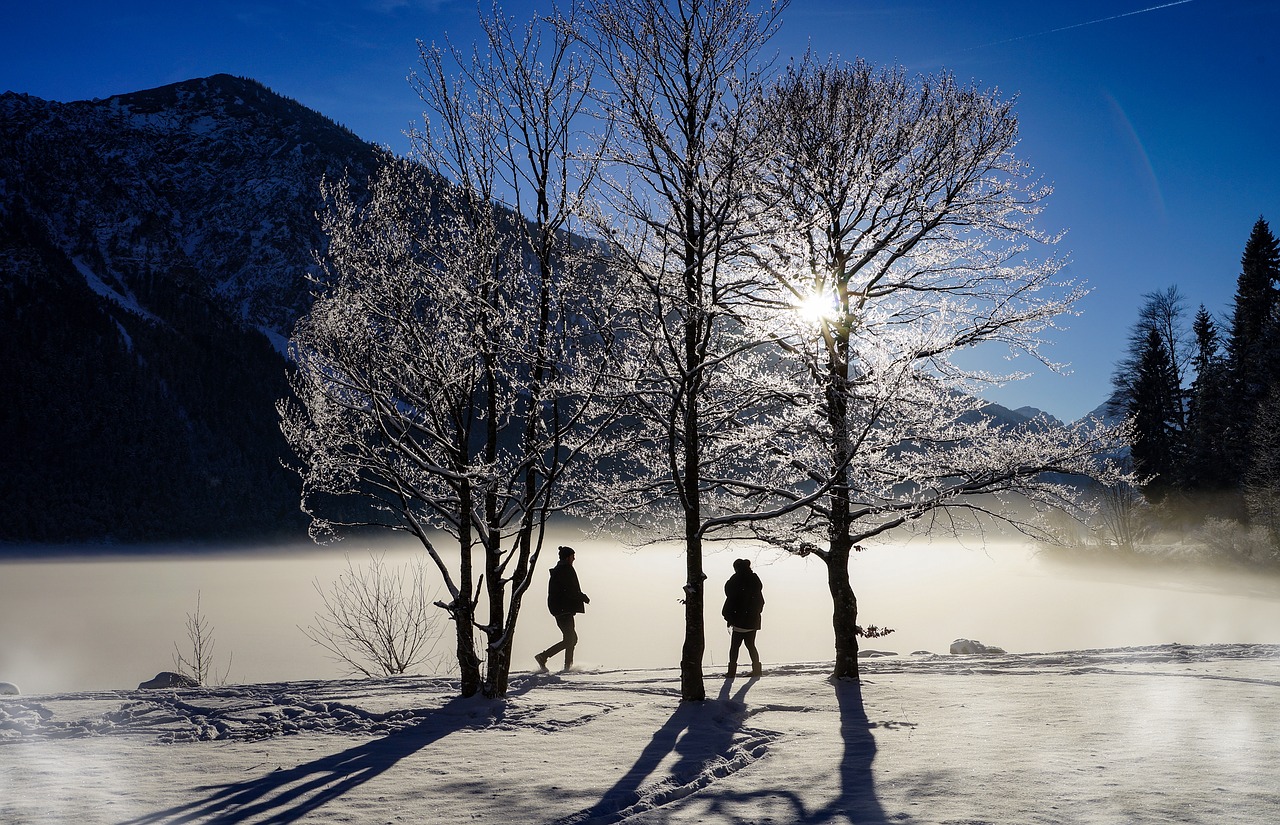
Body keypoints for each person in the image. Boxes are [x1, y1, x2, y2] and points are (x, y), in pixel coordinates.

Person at [535, 545, 590, 672]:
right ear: (567, 557)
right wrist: (582, 597)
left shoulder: (560, 570)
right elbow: (569, 590)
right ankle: (544, 657)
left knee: (571, 639)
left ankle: (567, 666)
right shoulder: (566, 570)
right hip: (563, 609)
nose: (574, 559)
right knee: (570, 639)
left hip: (560, 609)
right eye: (572, 556)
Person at [721, 558, 764, 678]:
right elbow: (761, 602)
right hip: (752, 620)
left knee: (734, 647)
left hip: (739, 620)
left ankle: (731, 672)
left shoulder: (736, 581)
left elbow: (731, 599)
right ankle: (756, 670)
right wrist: (755, 614)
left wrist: (728, 616)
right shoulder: (754, 582)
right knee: (751, 645)